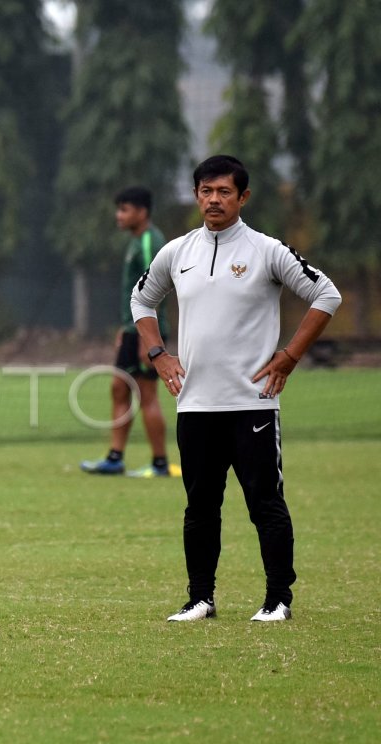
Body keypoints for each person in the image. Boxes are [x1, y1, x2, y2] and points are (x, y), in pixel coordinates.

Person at [131, 155, 341, 623]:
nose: (213, 199)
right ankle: (200, 599)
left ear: (243, 197)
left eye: (224, 191)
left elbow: (326, 294)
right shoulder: (176, 252)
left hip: (252, 404)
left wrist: (289, 355)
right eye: (206, 191)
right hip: (195, 405)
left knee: (265, 503)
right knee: (200, 507)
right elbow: (142, 299)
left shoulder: (266, 250)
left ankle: (278, 599)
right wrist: (158, 354)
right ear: (195, 196)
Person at [81, 186, 173, 478]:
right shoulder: (136, 241)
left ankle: (159, 463)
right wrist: (125, 329)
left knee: (147, 394)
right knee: (119, 388)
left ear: (142, 212)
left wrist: (149, 339)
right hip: (133, 330)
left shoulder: (149, 241)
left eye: (124, 209)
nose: (118, 215)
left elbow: (156, 291)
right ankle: (115, 457)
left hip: (146, 332)